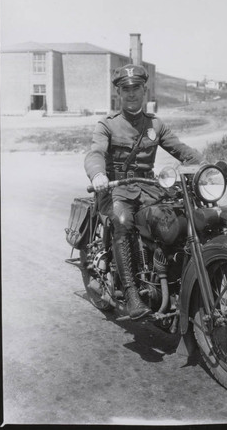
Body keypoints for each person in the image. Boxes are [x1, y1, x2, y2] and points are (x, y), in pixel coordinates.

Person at [84, 64, 204, 320]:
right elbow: (95, 153)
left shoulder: (155, 125)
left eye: (136, 88)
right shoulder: (107, 125)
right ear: (118, 93)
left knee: (176, 217)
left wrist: (207, 166)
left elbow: (181, 150)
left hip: (148, 188)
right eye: (125, 89)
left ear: (144, 90)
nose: (131, 94)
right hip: (115, 190)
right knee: (123, 221)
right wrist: (98, 175)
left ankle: (168, 277)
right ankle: (131, 293)